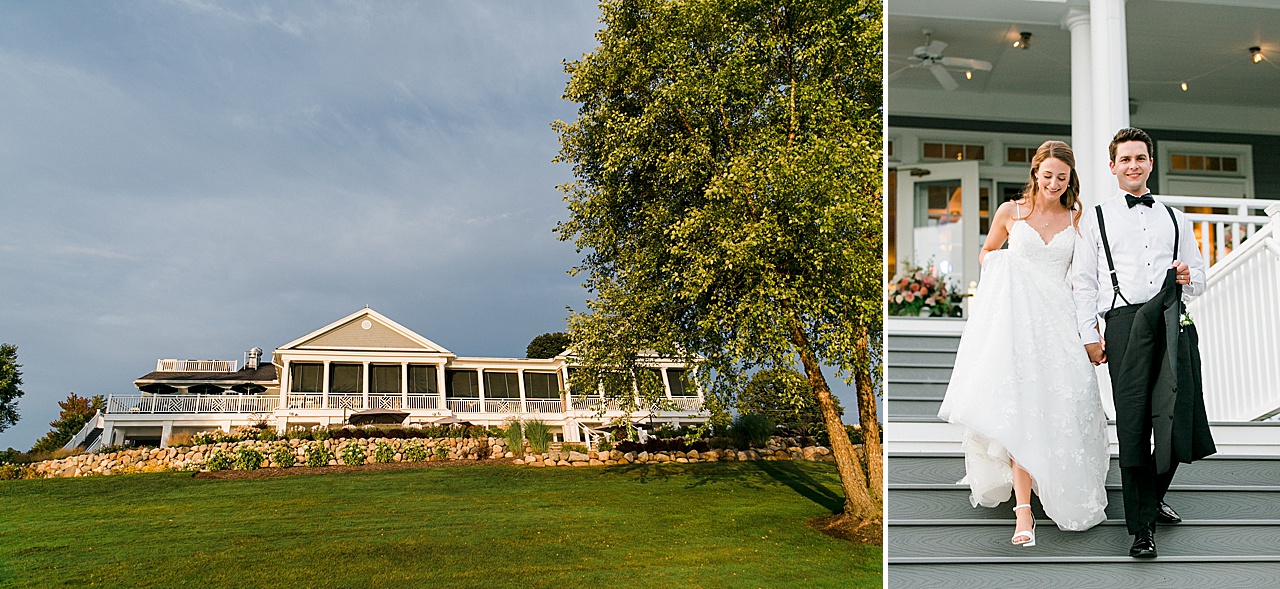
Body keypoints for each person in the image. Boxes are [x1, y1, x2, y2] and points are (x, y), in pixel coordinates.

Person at [938, 141, 1110, 548]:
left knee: (1063, 406)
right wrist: (1007, 265)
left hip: (1061, 325)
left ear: (1071, 180)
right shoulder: (1010, 212)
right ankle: (1023, 511)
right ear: (1035, 173)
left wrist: (1092, 329)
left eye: (1061, 177)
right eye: (1047, 175)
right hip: (1018, 325)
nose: (1053, 183)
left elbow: (1086, 278)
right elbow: (987, 253)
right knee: (1022, 411)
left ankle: (1061, 482)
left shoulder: (1078, 218)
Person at [1071, 127, 1213, 559]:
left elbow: (1202, 276)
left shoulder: (1176, 218)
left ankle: (1150, 497)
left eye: (1141, 158)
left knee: (1175, 414)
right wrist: (1089, 337)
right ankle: (1141, 528)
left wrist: (1190, 277)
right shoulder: (1094, 218)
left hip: (1172, 320)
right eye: (1125, 159)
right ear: (1112, 167)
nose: (1133, 165)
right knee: (1135, 424)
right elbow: (1082, 283)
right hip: (1124, 322)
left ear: (1151, 163)